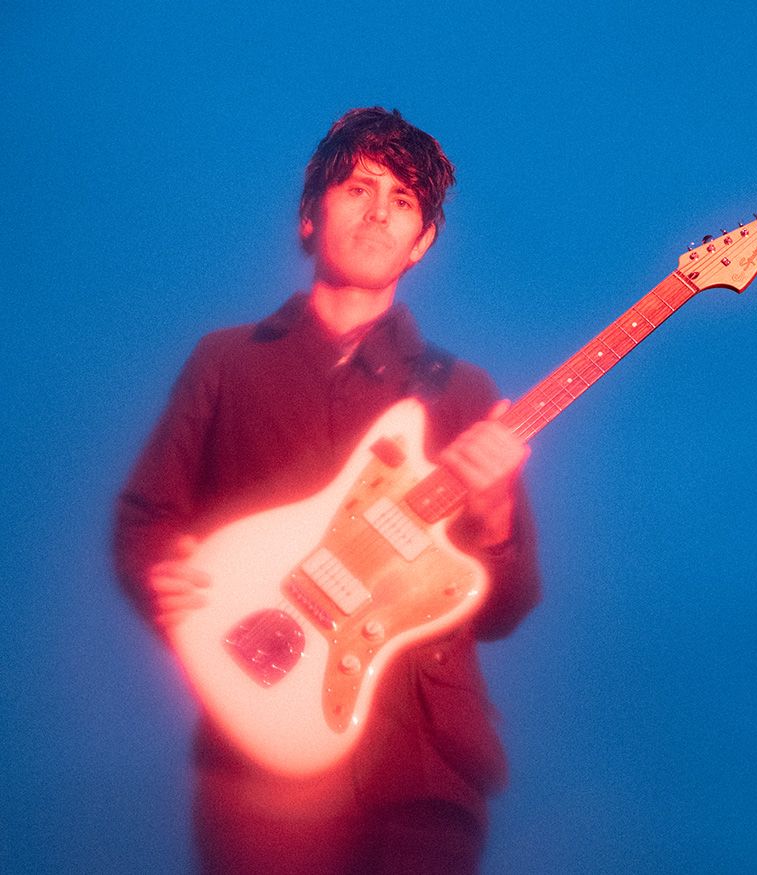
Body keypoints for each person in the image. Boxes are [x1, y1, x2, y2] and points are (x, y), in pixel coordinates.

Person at [114, 107, 541, 874]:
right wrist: (165, 580)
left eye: (403, 200)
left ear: (423, 240)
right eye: (358, 188)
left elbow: (505, 605)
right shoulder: (227, 362)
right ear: (310, 216)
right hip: (262, 751)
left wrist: (496, 512)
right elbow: (147, 518)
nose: (379, 212)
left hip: (424, 765)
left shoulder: (462, 390)